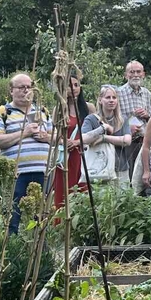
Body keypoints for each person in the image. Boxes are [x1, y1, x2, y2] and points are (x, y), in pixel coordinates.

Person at [0, 73, 52, 233]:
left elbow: (57, 138)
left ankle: (40, 253)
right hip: (16, 174)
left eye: (29, 87)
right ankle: (10, 251)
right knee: (12, 215)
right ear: (11, 91)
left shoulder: (43, 112)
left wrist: (45, 137)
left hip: (43, 172)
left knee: (40, 217)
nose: (26, 91)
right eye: (21, 87)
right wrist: (25, 133)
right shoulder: (3, 113)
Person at [81, 84, 132, 187]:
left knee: (122, 201)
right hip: (100, 170)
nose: (111, 100)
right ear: (100, 100)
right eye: (107, 97)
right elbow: (84, 138)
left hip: (120, 168)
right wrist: (103, 128)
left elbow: (127, 140)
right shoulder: (91, 119)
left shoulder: (123, 120)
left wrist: (104, 138)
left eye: (114, 97)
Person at [52, 72, 90, 209]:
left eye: (76, 85)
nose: (73, 88)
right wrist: (64, 141)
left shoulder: (88, 108)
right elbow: (54, 133)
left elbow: (94, 132)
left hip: (83, 156)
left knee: (83, 192)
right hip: (66, 158)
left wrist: (78, 142)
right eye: (69, 85)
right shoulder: (59, 109)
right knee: (64, 194)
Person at [117, 60, 151, 187]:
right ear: (126, 75)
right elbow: (113, 119)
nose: (135, 75)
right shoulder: (118, 93)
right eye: (132, 72)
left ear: (143, 74)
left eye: (138, 72)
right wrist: (127, 127)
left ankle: (143, 201)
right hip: (127, 141)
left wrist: (147, 115)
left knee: (143, 174)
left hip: (144, 141)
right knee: (127, 175)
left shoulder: (147, 93)